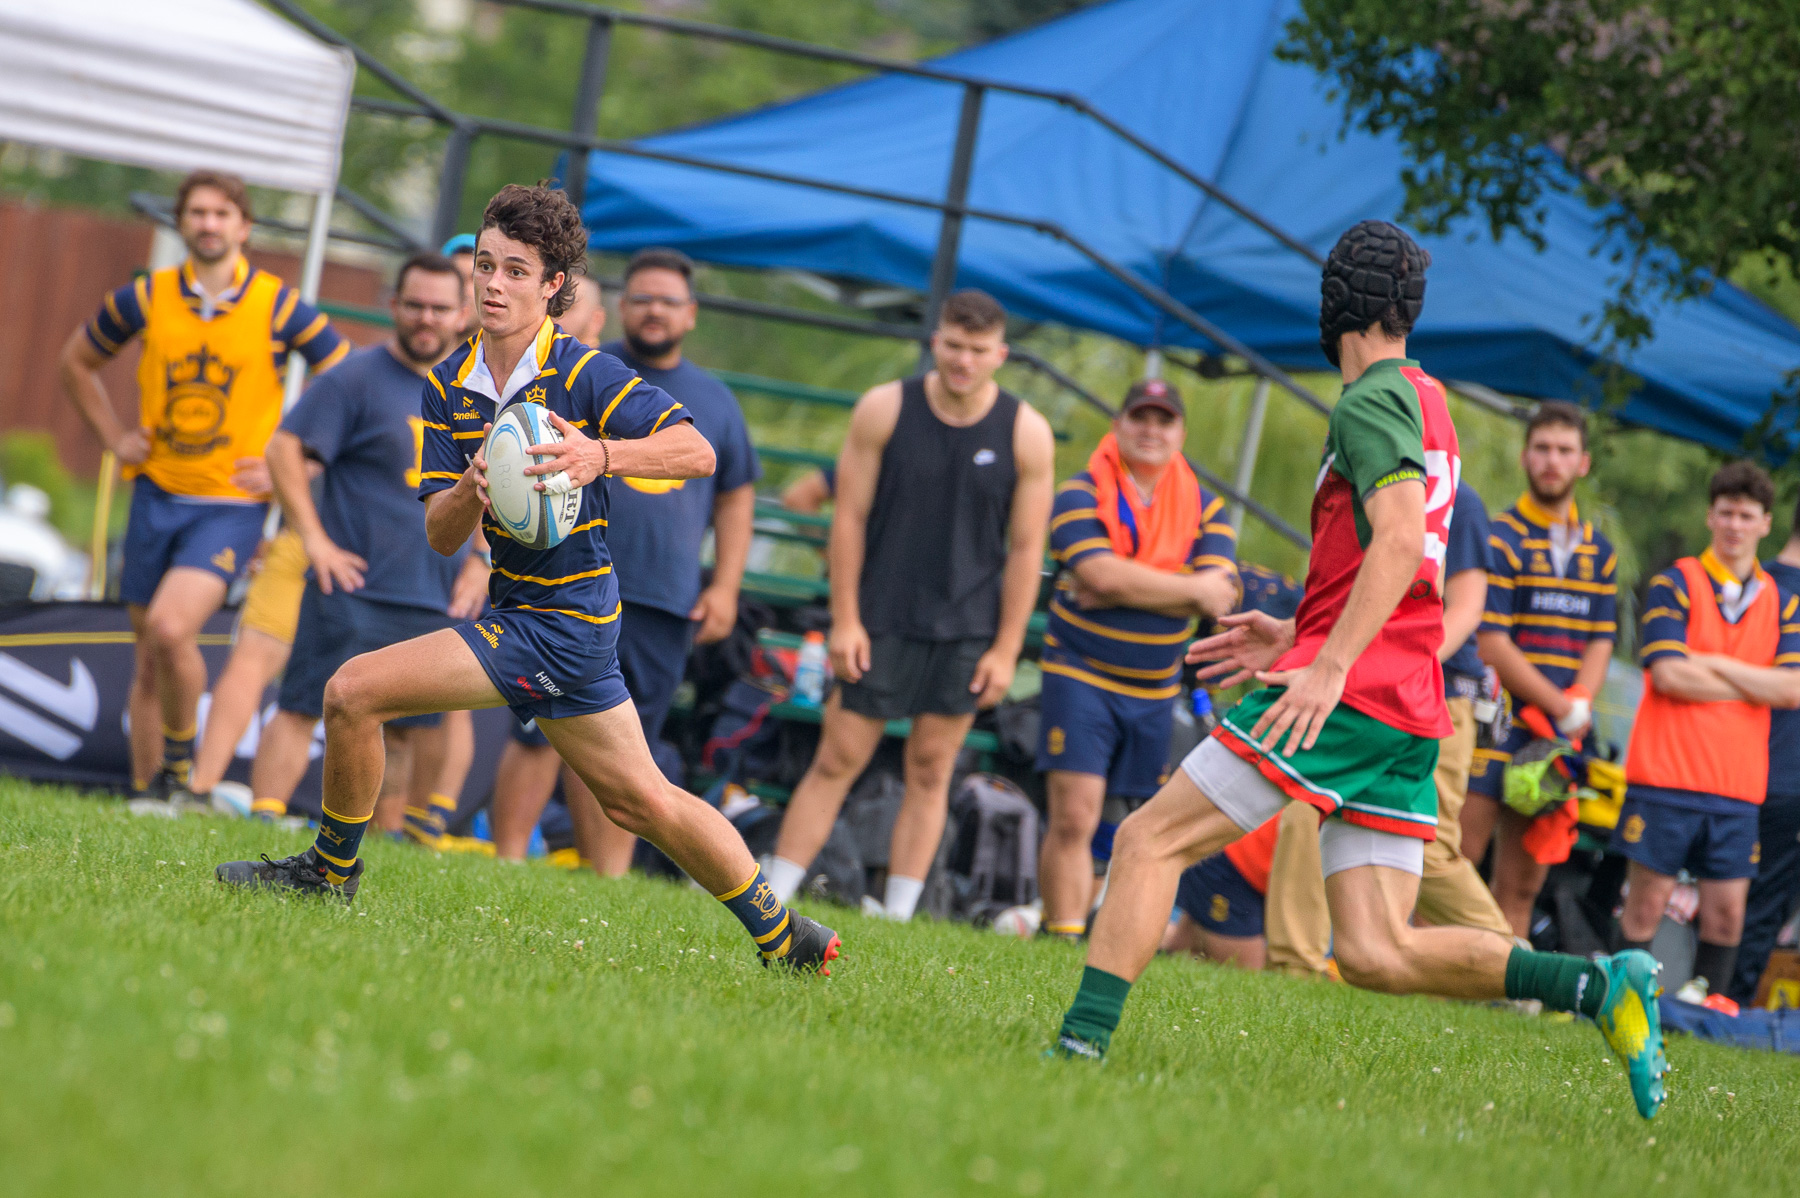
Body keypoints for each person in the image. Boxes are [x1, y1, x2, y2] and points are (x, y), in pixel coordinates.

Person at [1049, 221, 1665, 1123]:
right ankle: (1597, 986)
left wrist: (1328, 662)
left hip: (1355, 692)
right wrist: (1297, 629)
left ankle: (1075, 1049)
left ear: (1335, 302)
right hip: (1409, 699)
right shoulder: (1427, 396)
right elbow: (1386, 559)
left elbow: (1403, 539)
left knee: (1148, 841)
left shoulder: (1368, 400)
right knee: (1377, 951)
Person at [216, 184, 839, 975]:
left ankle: (330, 874)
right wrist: (468, 489)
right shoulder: (448, 385)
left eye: (516, 270)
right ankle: (787, 938)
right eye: (485, 265)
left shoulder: (586, 373)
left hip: (563, 620)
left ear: (553, 287)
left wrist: (598, 453)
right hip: (534, 612)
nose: (494, 284)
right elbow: (442, 536)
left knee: (351, 692)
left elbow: (697, 451)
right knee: (641, 800)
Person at [58, 168, 348, 808]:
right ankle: (149, 798)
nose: (209, 224)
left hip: (231, 506)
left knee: (170, 628)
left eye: (222, 213)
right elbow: (75, 361)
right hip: (155, 493)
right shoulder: (147, 296)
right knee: (149, 656)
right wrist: (114, 438)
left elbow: (348, 382)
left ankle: (182, 769)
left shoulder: (277, 305)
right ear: (181, 222)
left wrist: (298, 463)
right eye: (197, 212)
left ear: (244, 227)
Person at [764, 290, 1055, 920]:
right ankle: (771, 899)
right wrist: (846, 619)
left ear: (1000, 354)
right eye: (954, 345)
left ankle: (897, 915)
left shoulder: (1026, 431)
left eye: (978, 350)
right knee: (837, 759)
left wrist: (1006, 649)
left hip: (966, 628)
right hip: (881, 617)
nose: (963, 360)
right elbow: (848, 517)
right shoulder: (884, 407)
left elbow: (1027, 548)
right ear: (935, 341)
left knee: (931, 769)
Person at [235, 252, 489, 832]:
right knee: (303, 707)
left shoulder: (474, 391)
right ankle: (262, 821)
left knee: (400, 732)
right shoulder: (355, 377)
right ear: (394, 306)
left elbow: (487, 482)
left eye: (440, 308)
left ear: (462, 314)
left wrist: (480, 560)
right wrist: (314, 540)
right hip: (351, 587)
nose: (426, 318)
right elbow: (283, 449)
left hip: (432, 592)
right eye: (415, 305)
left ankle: (380, 840)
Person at [1259, 480, 1515, 976]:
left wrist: (1398, 667)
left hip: (1435, 694)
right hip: (1357, 684)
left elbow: (1466, 609)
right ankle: (1295, 969)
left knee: (1430, 850)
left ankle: (1518, 970)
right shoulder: (1363, 485)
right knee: (1305, 804)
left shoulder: (1458, 498)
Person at [1035, 378, 1239, 939]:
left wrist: (1123, 583)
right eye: (1140, 417)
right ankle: (1062, 936)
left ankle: (1103, 936)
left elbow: (1221, 594)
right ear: (1118, 424)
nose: (1151, 430)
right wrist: (1186, 588)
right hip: (1080, 673)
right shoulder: (1079, 493)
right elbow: (1099, 574)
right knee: (1075, 814)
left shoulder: (1207, 505)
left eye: (1164, 420)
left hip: (1155, 687)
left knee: (1134, 825)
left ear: (1181, 433)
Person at [1617, 462, 1800, 1004]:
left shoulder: (1782, 602)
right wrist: (1755, 684)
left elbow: (1792, 691)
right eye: (1726, 513)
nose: (1735, 525)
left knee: (1727, 917)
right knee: (1646, 906)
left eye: (1746, 515)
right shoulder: (1674, 583)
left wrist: (1710, 663)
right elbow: (1669, 676)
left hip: (1737, 786)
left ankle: (1707, 1018)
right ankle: (1621, 1007)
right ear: (1709, 517)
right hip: (1666, 776)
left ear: (1766, 523)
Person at [1463, 402, 1618, 936]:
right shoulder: (1499, 536)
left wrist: (1581, 702)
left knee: (1522, 886)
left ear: (1584, 462)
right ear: (1525, 456)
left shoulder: (1601, 552)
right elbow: (1491, 643)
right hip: (1495, 724)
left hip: (1556, 737)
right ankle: (1425, 975)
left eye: (1565, 450)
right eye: (1543, 449)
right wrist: (1561, 707)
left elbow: (1601, 638)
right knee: (1457, 860)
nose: (1553, 460)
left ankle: (1503, 980)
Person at [1728, 495, 1800, 1005]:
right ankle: (1724, 1009)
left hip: (1739, 771)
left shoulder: (1754, 583)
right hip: (1779, 777)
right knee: (1756, 911)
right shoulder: (1763, 589)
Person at [1164, 816, 1278, 969]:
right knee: (1245, 972)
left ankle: (1151, 941)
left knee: (1184, 947)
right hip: (1231, 868)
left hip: (1247, 873)